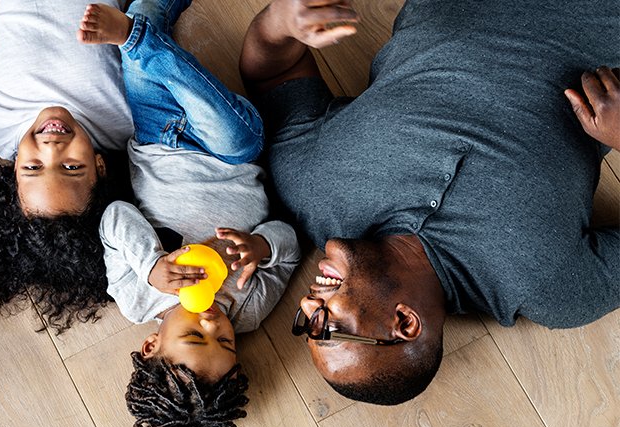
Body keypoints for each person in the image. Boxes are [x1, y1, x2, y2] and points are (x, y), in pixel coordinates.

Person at [239, 0, 620, 405]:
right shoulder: (551, 288)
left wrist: (280, 21)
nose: (309, 303)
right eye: (327, 326)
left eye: (306, 322)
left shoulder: (311, 189)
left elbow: (275, 75)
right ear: (404, 322)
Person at [82, 1, 301, 427]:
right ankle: (138, 36)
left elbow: (113, 218)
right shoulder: (249, 310)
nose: (214, 326)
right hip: (230, 154)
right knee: (233, 127)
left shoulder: (134, 296)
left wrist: (150, 264)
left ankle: (143, 31)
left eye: (195, 339)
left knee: (144, 10)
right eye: (226, 343)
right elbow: (292, 245)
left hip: (156, 136)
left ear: (152, 345)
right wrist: (260, 248)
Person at [0, 0, 135, 332]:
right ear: (101, 167)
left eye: (34, 167)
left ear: (13, 172)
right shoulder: (125, 121)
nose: (52, 148)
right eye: (71, 167)